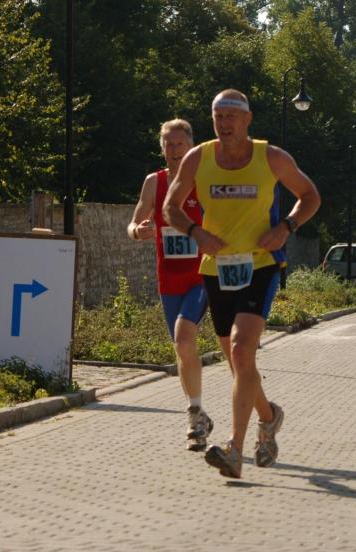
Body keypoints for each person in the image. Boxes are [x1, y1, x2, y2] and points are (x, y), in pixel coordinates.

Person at [164, 89, 320, 478]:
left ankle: (235, 449)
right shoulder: (198, 157)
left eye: (232, 116)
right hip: (216, 269)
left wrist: (286, 227)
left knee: (241, 348)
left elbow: (310, 196)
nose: (224, 123)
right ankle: (269, 417)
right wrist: (196, 232)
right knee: (239, 363)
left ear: (247, 120)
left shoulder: (272, 157)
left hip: (260, 264)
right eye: (218, 117)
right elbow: (170, 207)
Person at [127, 119, 212, 451]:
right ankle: (198, 411)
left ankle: (193, 416)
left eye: (180, 144)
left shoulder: (205, 179)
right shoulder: (154, 182)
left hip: (202, 275)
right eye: (169, 145)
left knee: (184, 337)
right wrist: (139, 231)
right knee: (181, 347)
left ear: (191, 146)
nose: (175, 150)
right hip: (169, 280)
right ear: (162, 148)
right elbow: (134, 223)